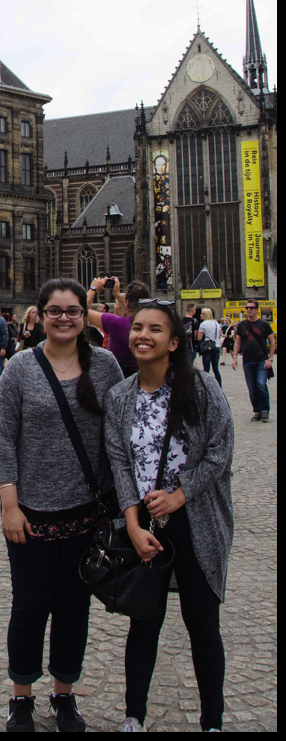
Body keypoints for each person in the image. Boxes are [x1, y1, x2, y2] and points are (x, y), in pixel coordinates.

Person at [0, 278, 124, 732]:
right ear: (40, 316)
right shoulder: (20, 368)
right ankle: (21, 697)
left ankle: (64, 695)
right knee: (29, 608)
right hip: (31, 515)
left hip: (87, 514)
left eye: (72, 311)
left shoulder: (104, 365)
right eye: (55, 311)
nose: (64, 318)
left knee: (73, 609)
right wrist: (9, 506)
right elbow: (3, 439)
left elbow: (118, 436)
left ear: (84, 315)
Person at [104, 300, 233, 733]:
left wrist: (180, 495)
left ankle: (211, 721)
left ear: (174, 342)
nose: (143, 335)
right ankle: (133, 716)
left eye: (155, 329)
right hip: (145, 526)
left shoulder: (200, 388)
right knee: (144, 622)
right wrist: (132, 523)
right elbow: (119, 463)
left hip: (196, 521)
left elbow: (220, 452)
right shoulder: (119, 396)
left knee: (203, 625)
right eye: (137, 327)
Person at [86, 278, 151, 377]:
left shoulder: (117, 324)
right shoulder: (153, 326)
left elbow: (81, 310)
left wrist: (93, 288)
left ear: (127, 302)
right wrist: (116, 294)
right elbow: (134, 309)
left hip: (118, 380)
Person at [232, 300, 276, 422]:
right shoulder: (242, 325)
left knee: (261, 384)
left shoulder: (264, 324)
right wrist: (235, 358)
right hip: (247, 361)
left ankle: (265, 410)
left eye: (251, 308)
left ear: (257, 309)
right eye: (247, 308)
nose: (249, 310)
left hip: (262, 360)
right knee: (252, 388)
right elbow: (238, 342)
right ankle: (257, 411)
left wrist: (270, 359)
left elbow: (272, 341)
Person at [196, 307, 223, 386]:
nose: (200, 315)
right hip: (216, 346)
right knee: (216, 369)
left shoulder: (203, 324)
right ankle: (219, 386)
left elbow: (199, 338)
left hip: (207, 347)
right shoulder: (216, 323)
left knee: (206, 369)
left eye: (201, 313)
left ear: (205, 314)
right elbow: (218, 336)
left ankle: (206, 386)